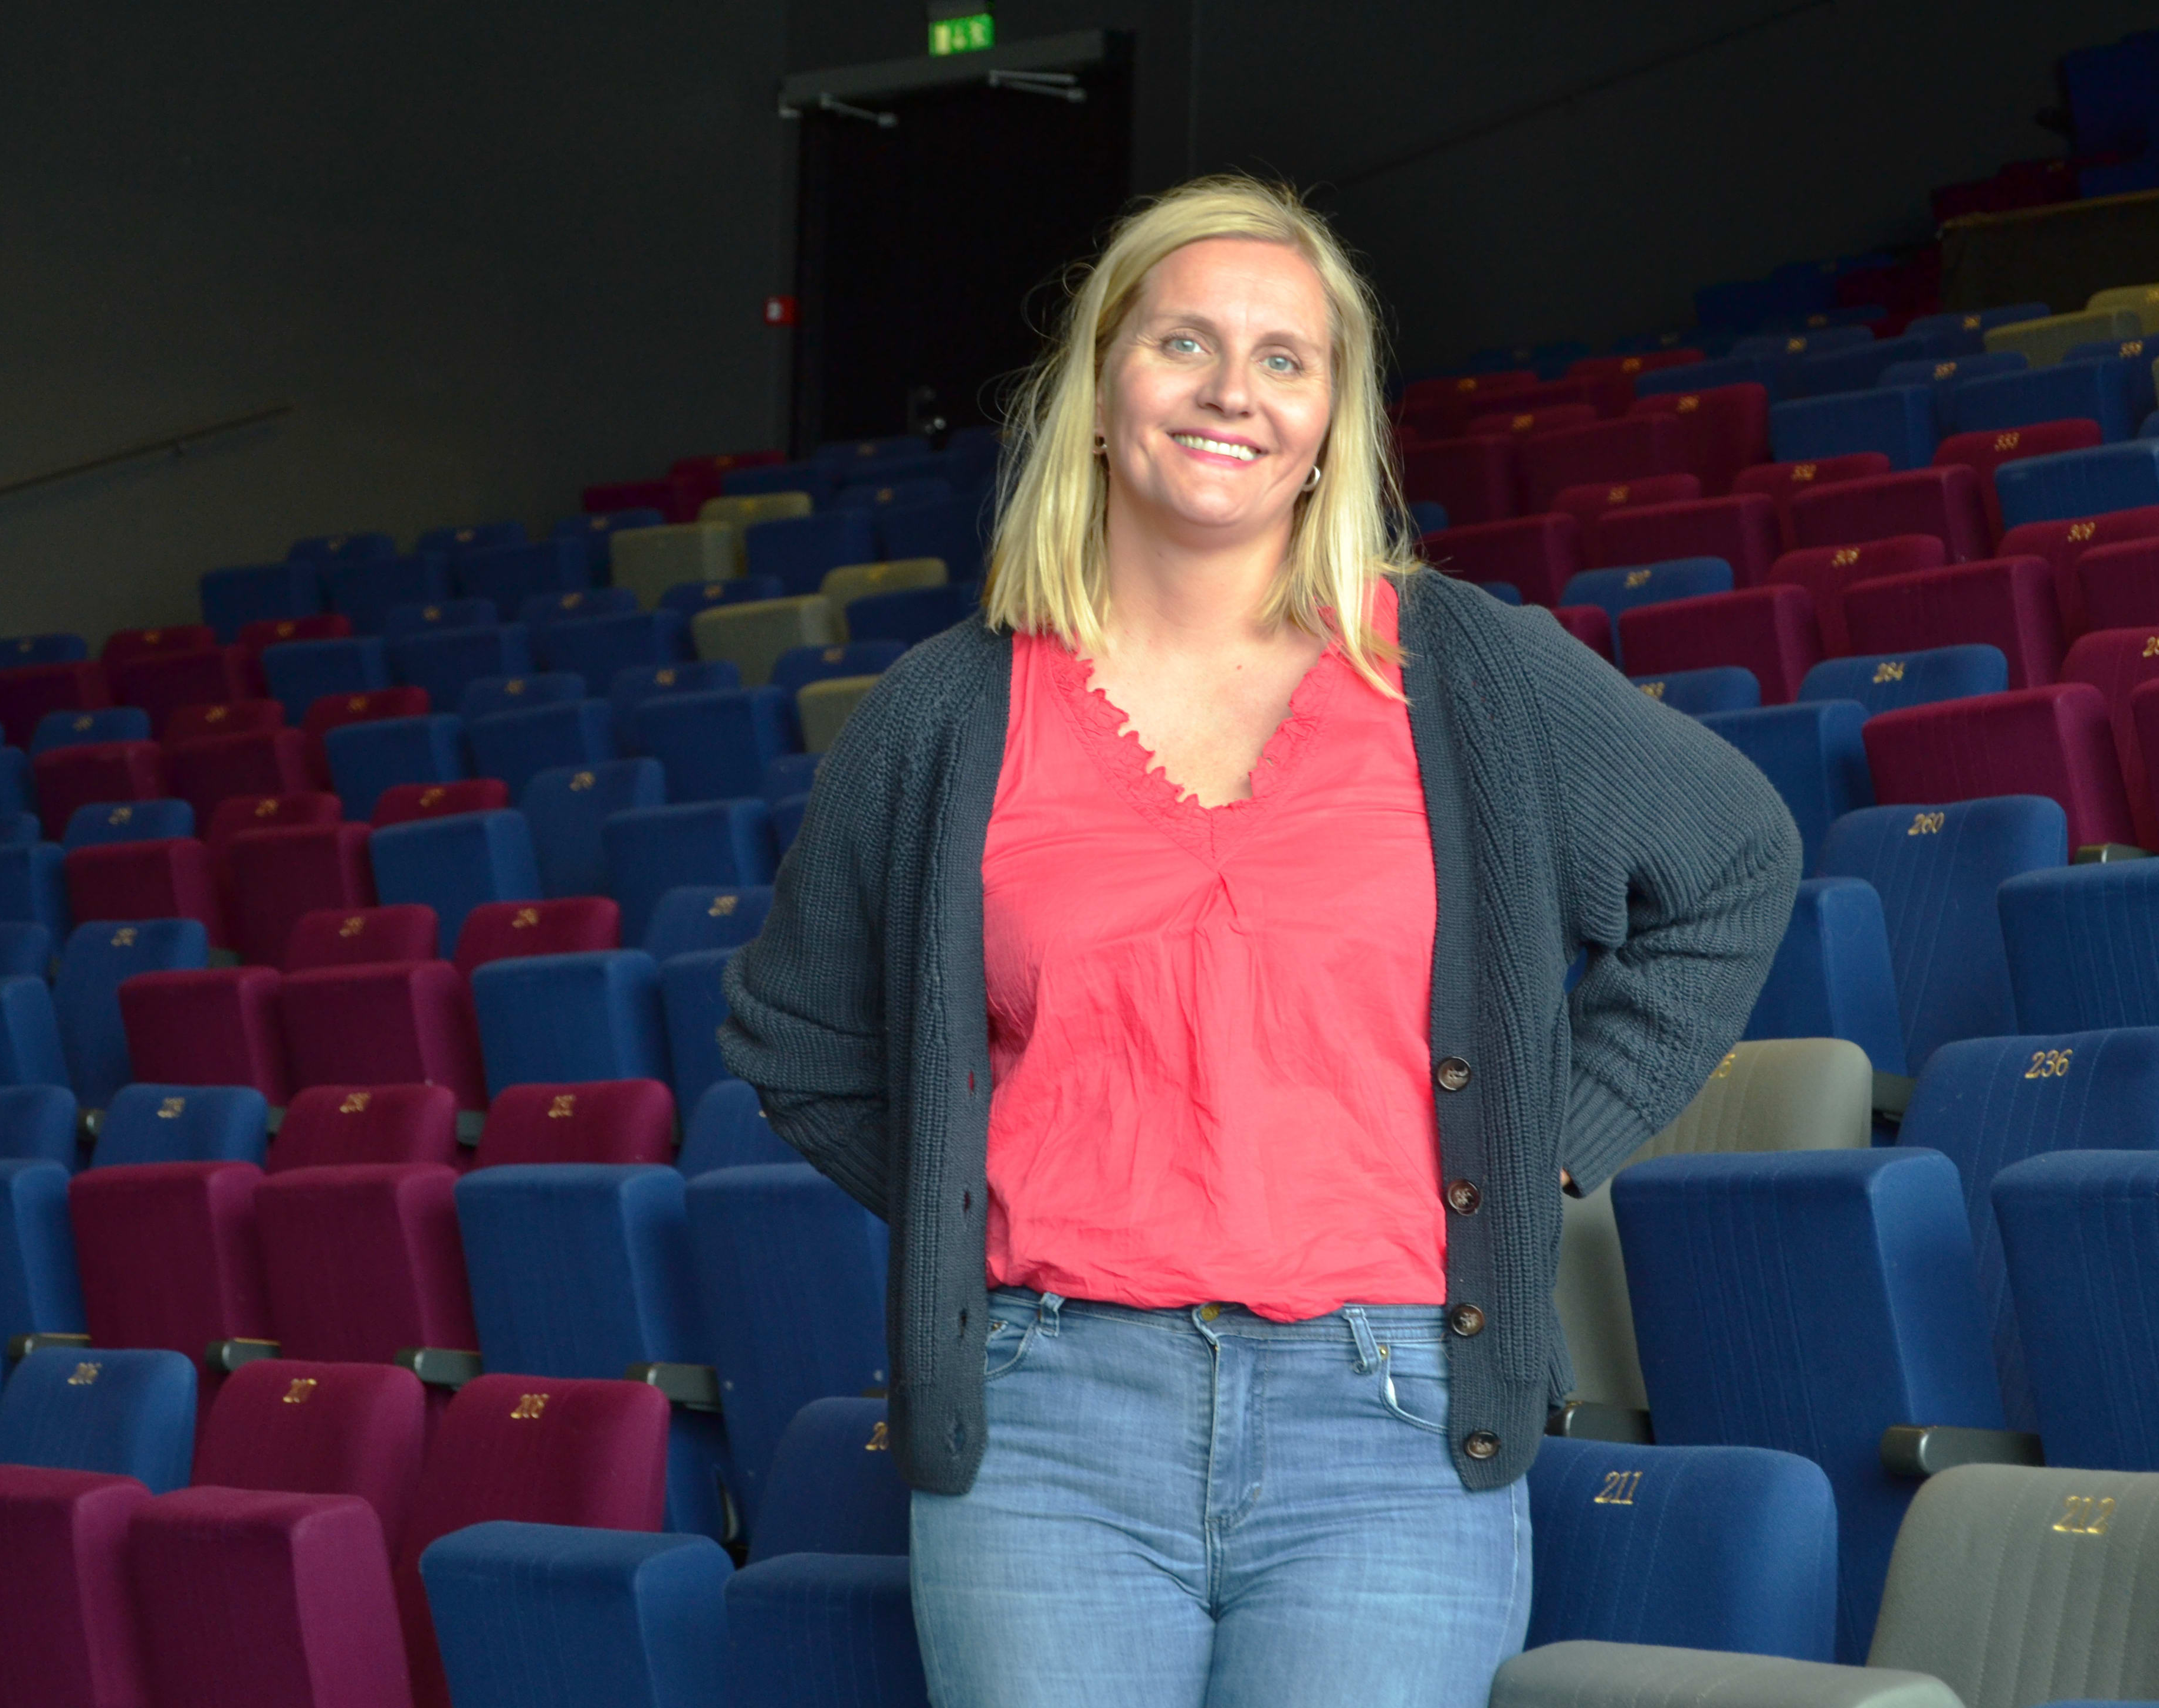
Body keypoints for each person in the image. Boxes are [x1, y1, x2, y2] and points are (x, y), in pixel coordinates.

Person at [721, 173, 1797, 1708]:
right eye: (1185, 343)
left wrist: (1543, 1140)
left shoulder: (1470, 671)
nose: (1234, 390)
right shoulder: (947, 711)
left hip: (1393, 1416)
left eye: (1286, 358)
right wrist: (974, 1191)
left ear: (1331, 424)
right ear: (1101, 390)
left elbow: (1736, 862)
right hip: (1045, 1420)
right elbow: (797, 1038)